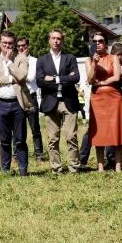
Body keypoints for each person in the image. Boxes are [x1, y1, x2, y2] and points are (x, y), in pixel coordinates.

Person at [0, 31, 32, 176]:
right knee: (4, 140)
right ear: (0, 43)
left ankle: (23, 171)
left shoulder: (21, 59)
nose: (7, 46)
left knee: (20, 140)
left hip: (18, 104)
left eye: (10, 43)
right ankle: (5, 170)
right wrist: (11, 79)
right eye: (5, 43)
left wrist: (9, 63)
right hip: (1, 104)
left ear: (14, 44)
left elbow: (22, 77)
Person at [36, 29, 81, 174]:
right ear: (49, 40)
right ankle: (56, 169)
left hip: (69, 101)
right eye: (53, 38)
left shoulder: (70, 58)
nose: (56, 41)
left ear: (63, 41)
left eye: (59, 39)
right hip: (50, 102)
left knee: (71, 136)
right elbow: (40, 82)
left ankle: (74, 168)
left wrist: (55, 79)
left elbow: (76, 78)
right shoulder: (42, 60)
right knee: (53, 139)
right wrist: (66, 77)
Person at [87, 32, 122, 172]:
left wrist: (101, 83)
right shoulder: (89, 61)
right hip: (97, 99)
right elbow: (89, 80)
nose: (98, 43)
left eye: (100, 41)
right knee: (99, 131)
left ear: (106, 43)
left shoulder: (113, 57)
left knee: (116, 130)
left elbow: (116, 77)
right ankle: (100, 167)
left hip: (113, 97)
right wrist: (94, 64)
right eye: (95, 41)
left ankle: (118, 166)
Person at [17, 37, 44, 161]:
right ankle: (16, 155)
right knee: (17, 129)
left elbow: (31, 77)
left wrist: (18, 75)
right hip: (18, 97)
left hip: (31, 97)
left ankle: (39, 154)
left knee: (35, 128)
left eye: (23, 45)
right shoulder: (14, 60)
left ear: (28, 46)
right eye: (18, 46)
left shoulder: (34, 61)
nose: (21, 48)